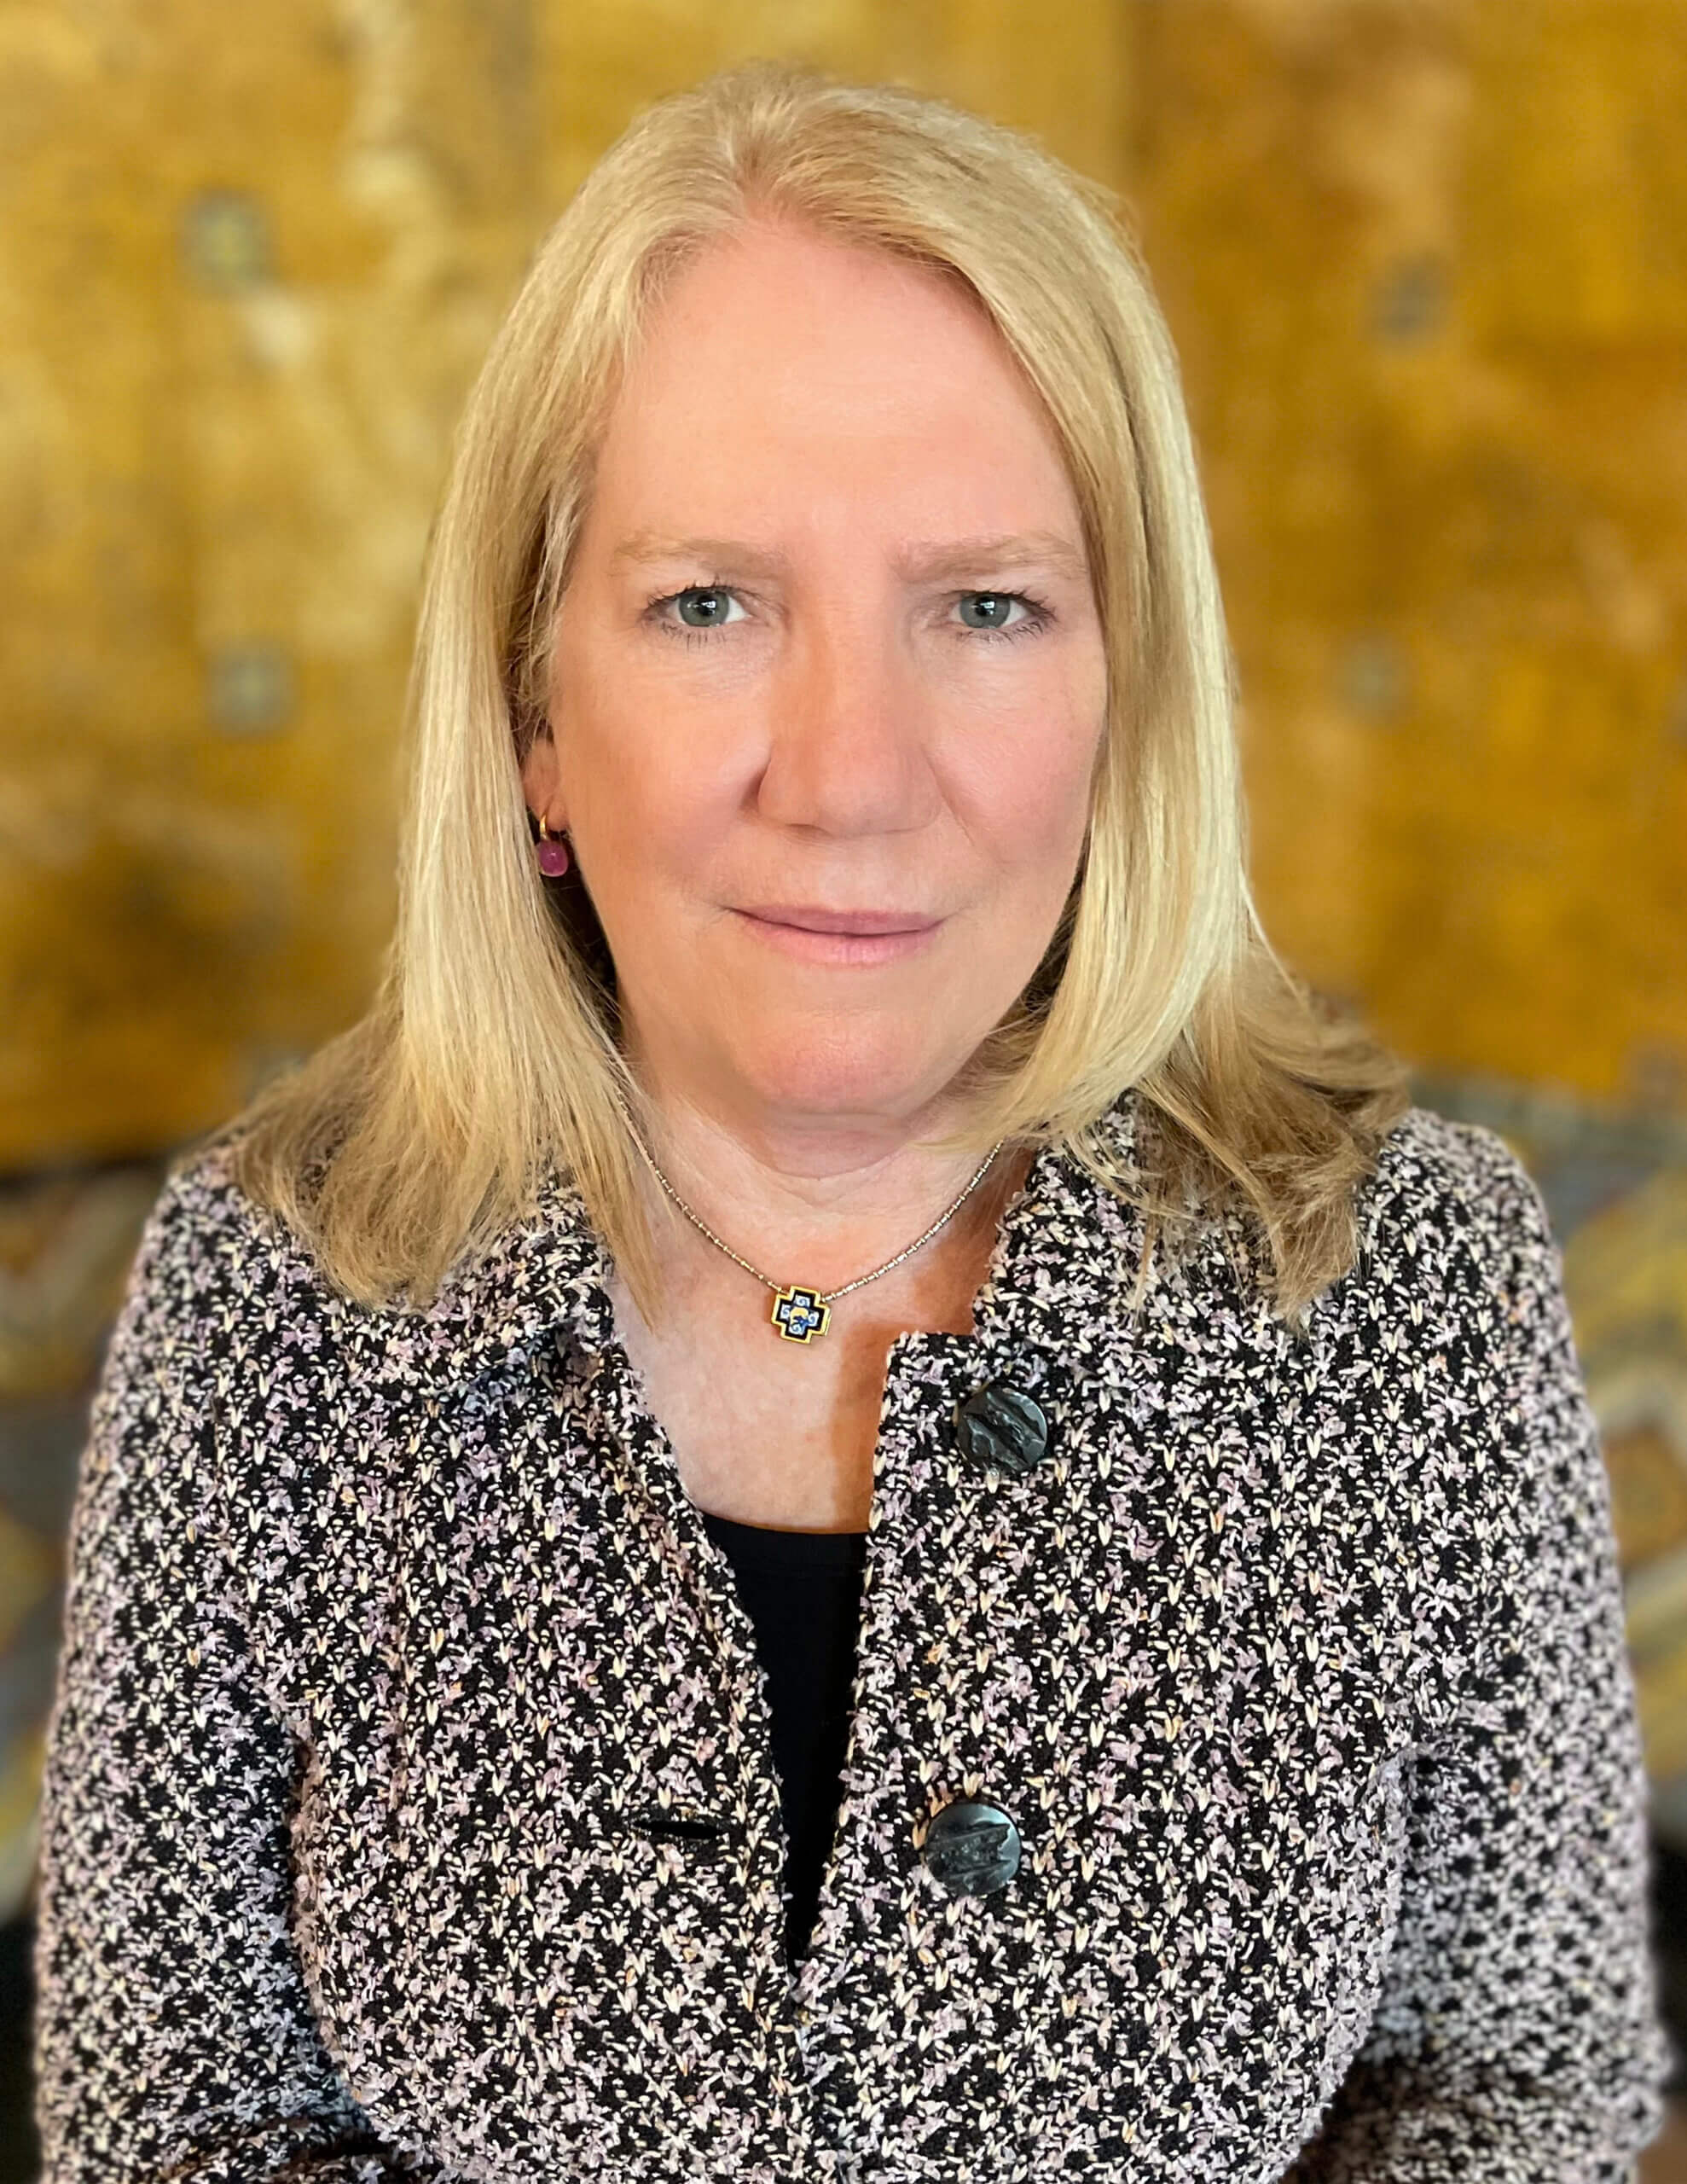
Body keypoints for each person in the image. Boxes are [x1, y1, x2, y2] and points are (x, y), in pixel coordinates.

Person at [32, 56, 1675, 2184]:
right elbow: (181, 2129)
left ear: (1122, 696)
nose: (848, 769)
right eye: (707, 601)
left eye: (983, 605)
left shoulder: (1396, 1278)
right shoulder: (284, 1287)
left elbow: (1521, 2081)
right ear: (538, 714)